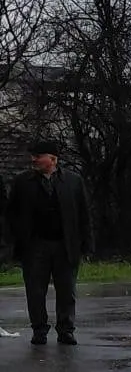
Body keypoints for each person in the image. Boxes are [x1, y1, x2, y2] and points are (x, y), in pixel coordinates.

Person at [6, 140, 94, 346]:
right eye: (33, 156)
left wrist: (87, 244)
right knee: (35, 291)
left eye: (38, 156)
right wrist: (14, 239)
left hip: (65, 245)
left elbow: (84, 215)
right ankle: (39, 330)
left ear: (52, 159)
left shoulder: (73, 181)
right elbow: (11, 214)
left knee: (67, 291)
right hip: (35, 245)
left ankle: (66, 330)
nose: (34, 159)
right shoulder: (22, 182)